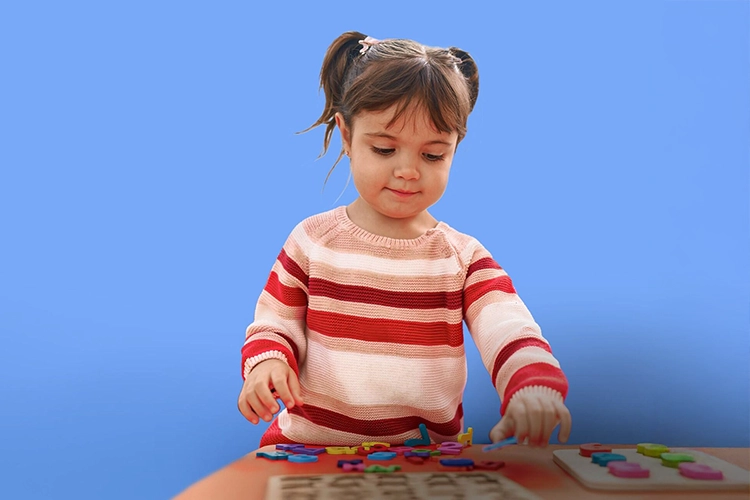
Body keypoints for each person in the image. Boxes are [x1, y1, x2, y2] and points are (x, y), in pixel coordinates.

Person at [237, 31, 572, 448]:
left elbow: (508, 326)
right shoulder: (312, 241)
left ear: (455, 149)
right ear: (346, 135)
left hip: (421, 462)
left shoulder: (461, 258)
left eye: (433, 155)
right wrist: (267, 364)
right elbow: (274, 324)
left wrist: (531, 385)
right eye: (384, 149)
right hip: (308, 452)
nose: (409, 170)